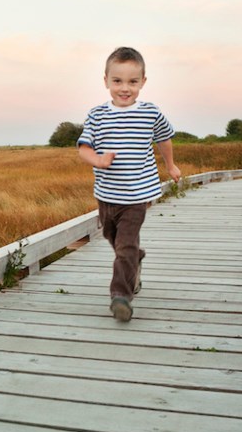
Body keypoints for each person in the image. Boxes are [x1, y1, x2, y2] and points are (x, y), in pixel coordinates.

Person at [77, 46, 181, 322]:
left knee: (124, 245)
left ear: (143, 82)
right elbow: (84, 148)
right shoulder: (98, 115)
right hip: (106, 195)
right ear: (106, 81)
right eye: (118, 81)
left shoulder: (149, 112)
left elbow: (164, 139)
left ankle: (120, 296)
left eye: (133, 82)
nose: (125, 88)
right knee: (113, 238)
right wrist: (97, 160)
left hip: (137, 195)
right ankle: (137, 258)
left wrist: (170, 165)